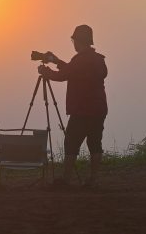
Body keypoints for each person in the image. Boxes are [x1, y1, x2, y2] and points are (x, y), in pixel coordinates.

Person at [39, 24, 108, 187]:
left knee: (71, 143)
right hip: (98, 109)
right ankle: (93, 179)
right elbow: (73, 71)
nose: (73, 43)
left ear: (79, 41)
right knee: (95, 144)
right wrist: (56, 61)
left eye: (74, 40)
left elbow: (63, 75)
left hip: (81, 110)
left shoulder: (80, 60)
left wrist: (45, 72)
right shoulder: (98, 60)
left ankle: (66, 179)